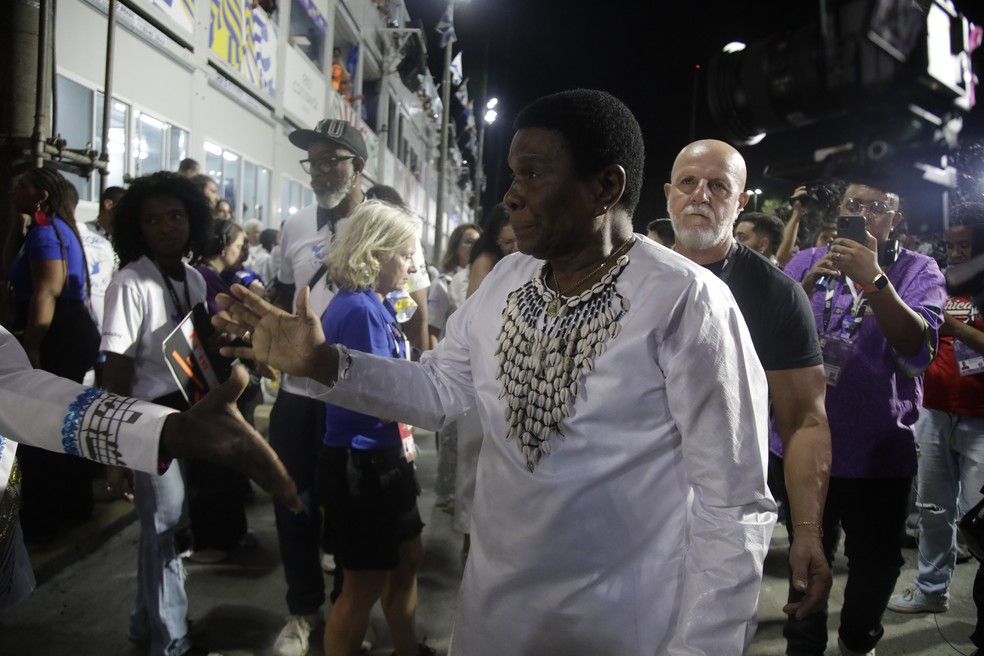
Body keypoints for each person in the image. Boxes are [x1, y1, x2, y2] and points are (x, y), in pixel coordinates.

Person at [215, 89, 776, 655]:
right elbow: (439, 389)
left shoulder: (687, 301)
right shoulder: (508, 281)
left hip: (621, 622)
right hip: (493, 610)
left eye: (532, 174)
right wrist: (325, 363)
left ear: (606, 187)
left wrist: (701, 648)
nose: (510, 195)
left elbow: (733, 506)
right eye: (513, 175)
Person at [0, 325, 300, 611]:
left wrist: (163, 432)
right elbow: (112, 368)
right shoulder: (131, 292)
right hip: (154, 407)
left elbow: (14, 386)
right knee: (161, 532)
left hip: (176, 408)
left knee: (170, 528)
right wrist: (143, 438)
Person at [665, 139, 832, 621]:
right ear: (668, 194)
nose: (700, 195)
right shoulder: (628, 277)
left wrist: (807, 531)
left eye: (718, 186)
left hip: (721, 520)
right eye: (688, 182)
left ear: (740, 202)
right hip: (627, 511)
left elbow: (804, 421)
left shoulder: (777, 295)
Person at [782, 180, 947, 655]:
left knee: (875, 566)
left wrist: (874, 280)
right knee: (805, 554)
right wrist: (804, 289)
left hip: (877, 451)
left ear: (895, 220)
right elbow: (765, 337)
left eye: (878, 207)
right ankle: (803, 644)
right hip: (801, 445)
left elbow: (916, 347)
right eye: (854, 204)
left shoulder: (918, 269)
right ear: (840, 210)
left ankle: (858, 640)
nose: (863, 213)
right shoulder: (807, 261)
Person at [266, 118, 372, 656]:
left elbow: (410, 310)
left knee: (351, 509)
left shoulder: (385, 225)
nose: (319, 171)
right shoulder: (295, 225)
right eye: (314, 161)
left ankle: (347, 614)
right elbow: (284, 296)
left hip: (353, 395)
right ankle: (302, 611)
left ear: (359, 166)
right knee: (293, 500)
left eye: (332, 159)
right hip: (296, 397)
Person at [101, 171, 214, 656]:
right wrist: (115, 451)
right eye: (152, 220)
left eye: (175, 216)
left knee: (164, 527)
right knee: (165, 530)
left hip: (188, 416)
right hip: (146, 420)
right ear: (137, 227)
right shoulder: (130, 283)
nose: (167, 227)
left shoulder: (193, 279)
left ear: (192, 220)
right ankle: (171, 641)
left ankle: (145, 621)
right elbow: (115, 370)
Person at [316, 200, 432, 656]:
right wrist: (435, 391)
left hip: (380, 456)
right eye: (405, 254)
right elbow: (384, 400)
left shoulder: (373, 304)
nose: (413, 265)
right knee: (361, 586)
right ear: (376, 252)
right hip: (360, 462)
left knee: (407, 560)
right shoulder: (360, 310)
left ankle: (408, 649)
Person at [888, 202, 984, 615]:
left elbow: (954, 332)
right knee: (932, 509)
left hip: (980, 420)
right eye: (951, 245)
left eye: (965, 245)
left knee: (978, 518)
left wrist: (956, 328)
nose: (956, 253)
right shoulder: (940, 280)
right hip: (933, 411)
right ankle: (931, 589)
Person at [4, 167, 102, 543]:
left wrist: (32, 346)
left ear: (41, 195)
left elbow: (47, 292)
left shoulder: (47, 233)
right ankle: (75, 505)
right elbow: (7, 270)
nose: (13, 190)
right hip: (68, 332)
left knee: (41, 426)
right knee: (62, 420)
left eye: (22, 185)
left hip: (57, 334)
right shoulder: (47, 229)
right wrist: (17, 225)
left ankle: (43, 521)